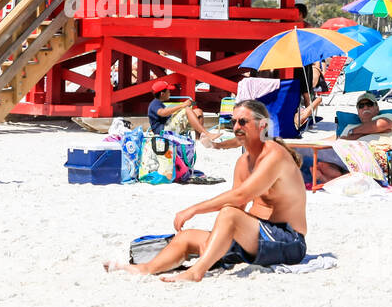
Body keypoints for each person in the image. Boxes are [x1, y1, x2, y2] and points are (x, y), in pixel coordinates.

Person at [104, 100, 307, 282]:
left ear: (262, 125)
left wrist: (193, 209)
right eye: (233, 122)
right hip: (255, 239)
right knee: (187, 236)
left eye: (242, 122)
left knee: (228, 215)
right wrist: (217, 241)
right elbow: (237, 205)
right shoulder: (243, 163)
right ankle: (145, 268)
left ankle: (196, 271)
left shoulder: (275, 155)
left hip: (288, 240)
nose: (236, 127)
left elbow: (240, 196)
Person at [147, 80, 217, 140]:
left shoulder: (159, 103)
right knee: (187, 110)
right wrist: (183, 105)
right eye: (168, 91)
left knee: (198, 111)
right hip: (162, 131)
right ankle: (206, 133)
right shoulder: (154, 104)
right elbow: (162, 113)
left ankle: (198, 139)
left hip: (168, 125)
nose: (170, 93)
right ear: (162, 94)